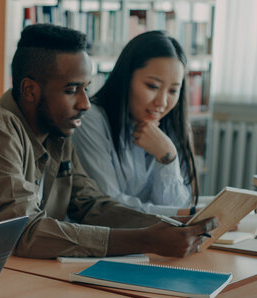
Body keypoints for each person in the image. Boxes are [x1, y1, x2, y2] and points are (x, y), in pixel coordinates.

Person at [0, 24, 215, 259]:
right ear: (30, 90)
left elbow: (91, 206)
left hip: (4, 272)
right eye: (72, 90)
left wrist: (173, 226)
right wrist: (147, 239)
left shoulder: (58, 130)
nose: (85, 103)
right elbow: (24, 232)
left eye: (86, 88)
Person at [72, 31, 197, 216]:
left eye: (173, 90)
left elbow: (178, 206)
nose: (162, 102)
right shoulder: (91, 119)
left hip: (157, 240)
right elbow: (108, 206)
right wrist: (184, 215)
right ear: (126, 78)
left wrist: (167, 158)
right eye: (152, 86)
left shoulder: (173, 125)